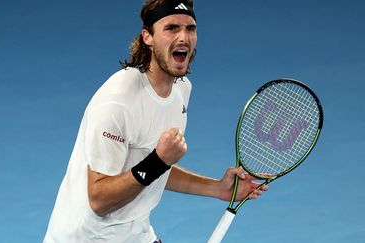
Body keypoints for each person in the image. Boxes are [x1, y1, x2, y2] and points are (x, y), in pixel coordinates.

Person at [44, 0, 268, 242]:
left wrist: (216, 188)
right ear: (147, 37)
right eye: (171, 28)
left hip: (135, 234)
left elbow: (150, 168)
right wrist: (157, 161)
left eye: (190, 28)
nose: (183, 37)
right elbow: (99, 199)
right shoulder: (117, 102)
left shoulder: (181, 90)